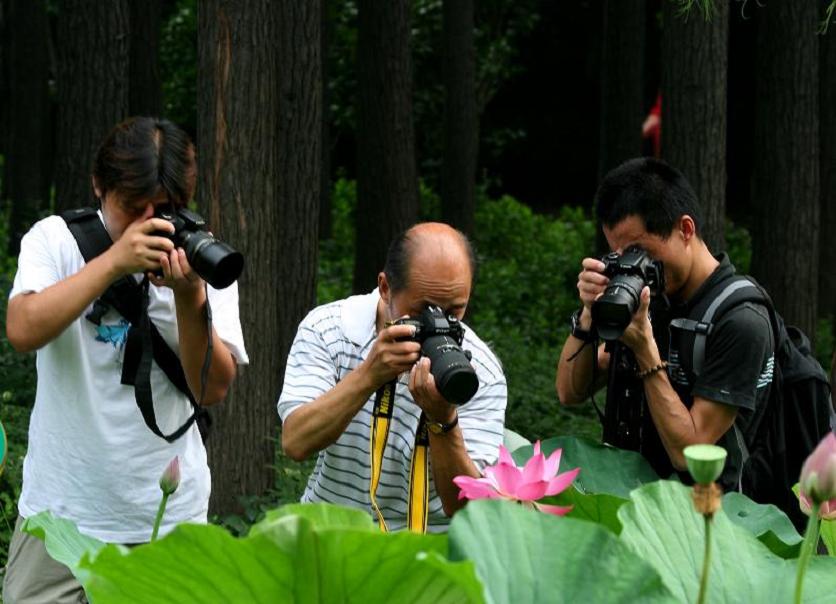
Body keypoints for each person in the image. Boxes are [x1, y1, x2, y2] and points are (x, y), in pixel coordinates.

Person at [3, 117, 248, 603]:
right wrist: (114, 263)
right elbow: (23, 330)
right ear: (99, 186)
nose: (149, 224)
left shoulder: (198, 258)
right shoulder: (56, 241)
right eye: (133, 209)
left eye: (165, 209)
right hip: (61, 512)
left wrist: (188, 296)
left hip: (167, 519)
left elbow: (213, 388)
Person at [556, 157, 774, 491]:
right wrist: (588, 314)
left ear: (685, 229)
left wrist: (645, 349)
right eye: (619, 256)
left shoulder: (741, 320)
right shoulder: (651, 296)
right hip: (634, 503)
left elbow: (689, 454)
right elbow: (571, 392)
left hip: (707, 521)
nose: (631, 267)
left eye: (638, 251)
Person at [278, 223, 506, 532]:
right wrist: (369, 375)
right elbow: (296, 442)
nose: (438, 323)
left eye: (454, 312)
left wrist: (443, 420)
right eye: (424, 309)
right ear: (385, 288)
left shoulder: (479, 370)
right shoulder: (328, 330)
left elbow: (467, 509)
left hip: (429, 551)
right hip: (331, 536)